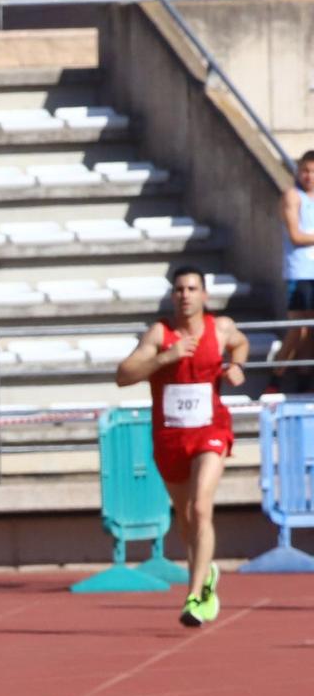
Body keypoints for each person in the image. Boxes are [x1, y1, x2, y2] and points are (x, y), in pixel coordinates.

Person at [114, 265, 249, 627]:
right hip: (170, 437)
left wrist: (236, 366)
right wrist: (164, 359)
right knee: (187, 519)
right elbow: (123, 376)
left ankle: (194, 596)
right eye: (179, 289)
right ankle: (206, 574)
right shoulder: (160, 334)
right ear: (172, 296)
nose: (185, 295)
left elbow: (240, 342)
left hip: (211, 430)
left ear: (204, 295)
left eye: (192, 288)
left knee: (201, 507)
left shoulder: (219, 328)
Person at [278, 151, 314, 380]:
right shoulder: (293, 196)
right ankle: (275, 375)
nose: (309, 176)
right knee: (298, 329)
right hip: (300, 271)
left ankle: (305, 377)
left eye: (313, 172)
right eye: (305, 171)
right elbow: (295, 236)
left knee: (310, 330)